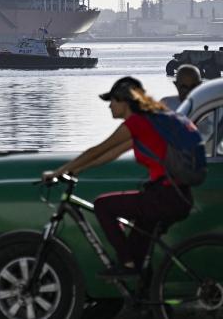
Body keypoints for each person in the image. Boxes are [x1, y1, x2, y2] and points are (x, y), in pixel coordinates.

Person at [43, 77, 193, 278]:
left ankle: (126, 263)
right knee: (138, 250)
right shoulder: (147, 122)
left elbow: (97, 150)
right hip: (174, 195)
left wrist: (58, 172)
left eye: (112, 101)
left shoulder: (137, 123)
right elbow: (110, 154)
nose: (109, 106)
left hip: (165, 196)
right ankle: (145, 290)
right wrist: (78, 170)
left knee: (103, 206)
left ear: (125, 101)